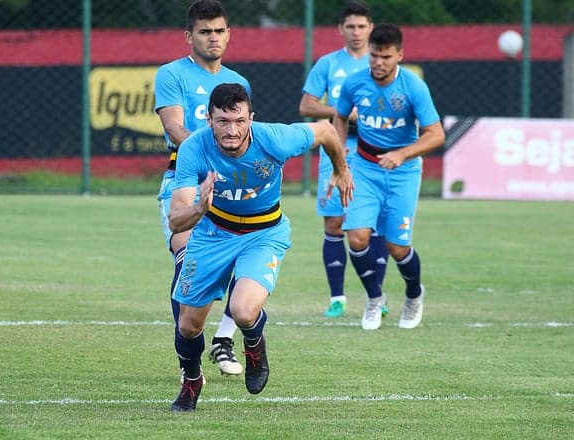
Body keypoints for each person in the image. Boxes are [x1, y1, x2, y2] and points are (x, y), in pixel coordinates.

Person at [168, 83, 353, 411]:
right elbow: (175, 219)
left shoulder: (274, 139)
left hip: (264, 234)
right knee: (188, 324)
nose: (232, 129)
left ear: (251, 118)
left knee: (242, 310)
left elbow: (326, 130)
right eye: (223, 121)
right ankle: (192, 380)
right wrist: (199, 208)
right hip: (213, 234)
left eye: (239, 120)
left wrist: (341, 169)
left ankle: (253, 343)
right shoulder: (193, 149)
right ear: (209, 120)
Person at [154, 0, 250, 376]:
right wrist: (208, 158)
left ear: (229, 34)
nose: (213, 38)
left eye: (219, 31)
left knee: (239, 261)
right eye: (205, 31)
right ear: (189, 36)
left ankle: (224, 340)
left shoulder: (238, 83)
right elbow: (175, 129)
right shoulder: (172, 74)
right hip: (184, 179)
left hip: (232, 186)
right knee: (188, 258)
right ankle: (188, 357)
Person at [333, 23, 445, 331]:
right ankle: (374, 298)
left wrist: (403, 154)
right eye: (373, 56)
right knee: (356, 237)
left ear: (399, 56)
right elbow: (340, 117)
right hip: (365, 168)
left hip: (403, 171)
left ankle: (413, 294)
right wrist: (339, 157)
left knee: (397, 247)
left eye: (385, 56)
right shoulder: (355, 83)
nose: (378, 63)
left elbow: (436, 135)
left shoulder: (413, 87)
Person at [299, 1, 390, 319]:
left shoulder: (381, 64)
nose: (356, 32)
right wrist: (340, 112)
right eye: (350, 26)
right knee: (335, 223)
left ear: (371, 28)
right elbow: (307, 106)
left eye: (362, 26)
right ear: (341, 30)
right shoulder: (327, 64)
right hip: (336, 150)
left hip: (374, 153)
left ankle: (377, 295)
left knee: (374, 224)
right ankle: (337, 297)